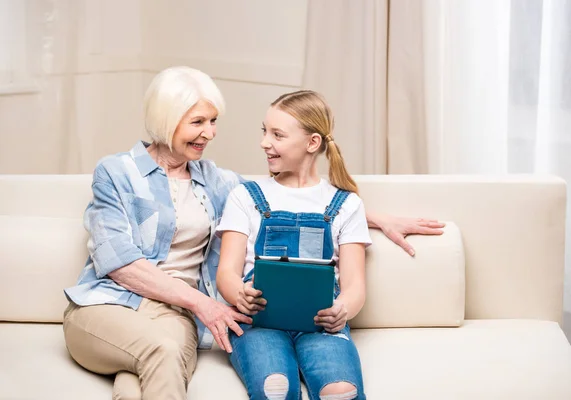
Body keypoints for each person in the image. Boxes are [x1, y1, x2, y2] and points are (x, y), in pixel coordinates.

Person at [62, 66, 445, 400]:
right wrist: (204, 304)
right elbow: (119, 263)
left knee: (135, 385)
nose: (210, 133)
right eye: (198, 123)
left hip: (172, 316)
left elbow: (294, 199)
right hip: (112, 304)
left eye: (213, 122)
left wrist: (375, 219)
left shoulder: (215, 180)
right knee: (161, 352)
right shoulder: (116, 172)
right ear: (167, 120)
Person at [216, 90, 368, 399]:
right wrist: (239, 293)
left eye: (278, 135)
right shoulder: (245, 196)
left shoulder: (346, 203)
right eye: (264, 131)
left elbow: (355, 286)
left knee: (341, 391)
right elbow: (226, 274)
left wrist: (343, 309)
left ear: (312, 143)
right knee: (276, 388)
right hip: (258, 322)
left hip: (321, 324)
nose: (264, 142)